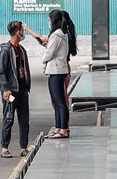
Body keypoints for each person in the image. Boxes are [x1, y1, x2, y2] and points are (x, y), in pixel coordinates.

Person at [0, 20, 31, 158]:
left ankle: (24, 147)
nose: (23, 33)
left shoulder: (21, 50)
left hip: (22, 90)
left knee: (24, 120)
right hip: (11, 91)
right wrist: (5, 88)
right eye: (22, 30)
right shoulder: (6, 50)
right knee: (8, 118)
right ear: (18, 32)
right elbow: (1, 72)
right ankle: (4, 148)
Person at [40, 9, 70, 139]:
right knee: (57, 102)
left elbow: (49, 53)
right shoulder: (62, 34)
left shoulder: (56, 35)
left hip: (56, 71)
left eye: (49, 20)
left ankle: (63, 130)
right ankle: (58, 128)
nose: (48, 22)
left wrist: (43, 59)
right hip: (58, 70)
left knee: (60, 102)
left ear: (53, 20)